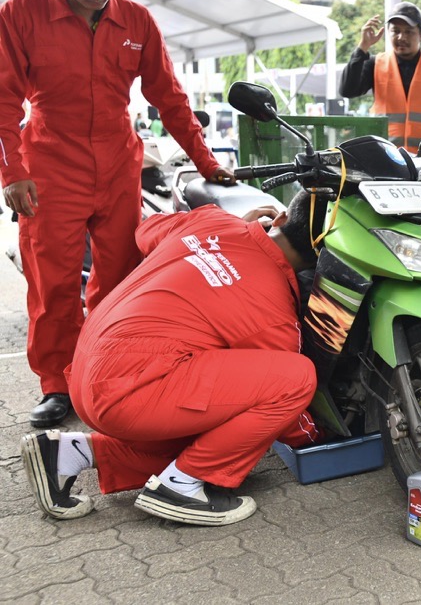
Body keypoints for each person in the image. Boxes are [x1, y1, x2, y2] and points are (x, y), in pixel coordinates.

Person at [0, 0, 237, 429]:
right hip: (49, 170)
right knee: (53, 284)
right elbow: (2, 101)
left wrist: (207, 162)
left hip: (118, 165)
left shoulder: (137, 21)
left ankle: (105, 366)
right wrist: (13, 172)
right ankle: (57, 385)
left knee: (121, 275)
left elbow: (169, 98)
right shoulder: (19, 15)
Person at [20, 190, 328, 526]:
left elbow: (146, 231)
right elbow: (288, 411)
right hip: (126, 392)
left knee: (219, 431)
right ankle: (183, 487)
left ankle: (69, 453)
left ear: (280, 218)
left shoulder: (211, 219)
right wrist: (321, 440)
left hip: (87, 367)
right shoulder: (274, 314)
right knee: (296, 378)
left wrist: (222, 241)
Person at [338, 1, 421, 168]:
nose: (401, 37)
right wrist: (363, 47)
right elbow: (348, 90)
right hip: (384, 161)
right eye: (395, 31)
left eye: (408, 32)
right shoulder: (375, 64)